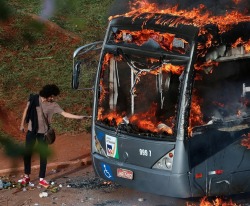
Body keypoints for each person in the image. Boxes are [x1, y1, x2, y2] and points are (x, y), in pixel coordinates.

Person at [19, 84, 84, 188]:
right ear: (46, 94)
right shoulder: (34, 99)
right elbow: (26, 110)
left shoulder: (53, 105)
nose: (53, 98)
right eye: (52, 96)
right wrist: (22, 124)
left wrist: (79, 117)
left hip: (43, 134)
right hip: (31, 131)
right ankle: (26, 176)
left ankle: (41, 179)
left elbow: (65, 114)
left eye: (54, 97)